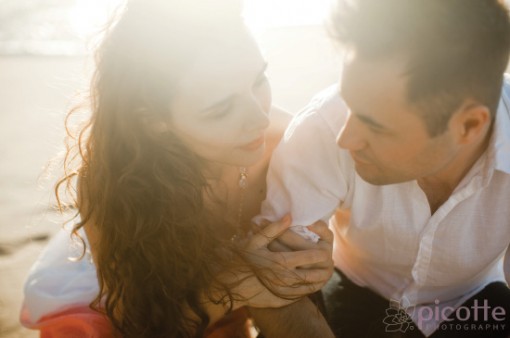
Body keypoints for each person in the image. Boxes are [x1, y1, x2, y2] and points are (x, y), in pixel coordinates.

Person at [20, 0, 335, 337]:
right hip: (154, 290)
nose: (260, 118)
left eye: (258, 80)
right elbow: (138, 323)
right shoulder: (117, 180)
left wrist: (320, 262)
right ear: (154, 120)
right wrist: (230, 287)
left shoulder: (290, 148)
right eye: (221, 109)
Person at [255, 0, 510, 337]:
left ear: (468, 126)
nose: (346, 138)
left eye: (376, 127)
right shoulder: (321, 129)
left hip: (474, 302)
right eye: (349, 105)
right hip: (353, 288)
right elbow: (271, 280)